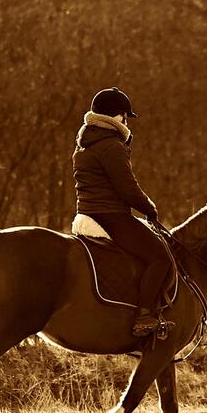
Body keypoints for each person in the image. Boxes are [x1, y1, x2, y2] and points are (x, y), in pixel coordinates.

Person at [73, 87, 170, 336]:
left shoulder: (84, 143)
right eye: (125, 116)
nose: (127, 122)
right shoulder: (111, 145)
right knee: (161, 257)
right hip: (111, 215)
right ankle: (144, 315)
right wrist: (150, 208)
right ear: (116, 117)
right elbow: (127, 188)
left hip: (87, 212)